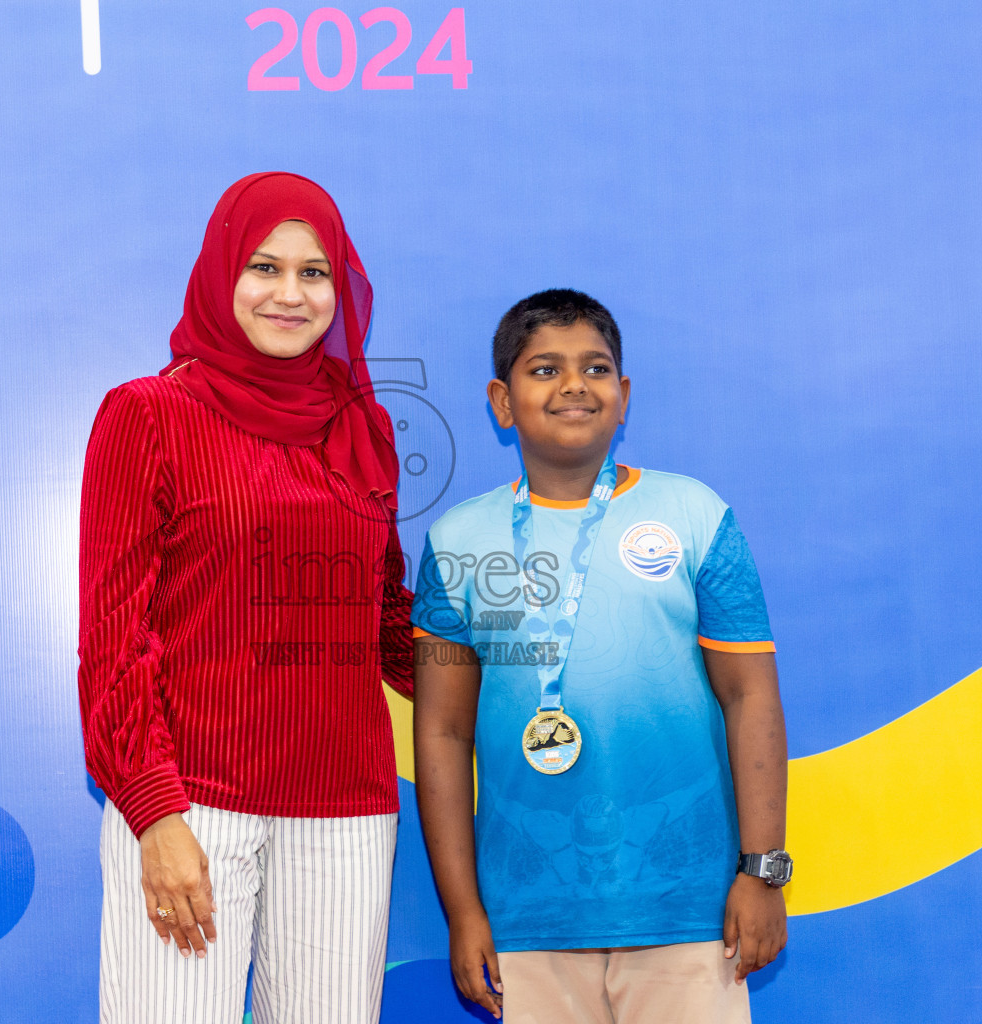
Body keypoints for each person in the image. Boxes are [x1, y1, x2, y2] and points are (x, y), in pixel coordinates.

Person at [77, 172, 415, 1024]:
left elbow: (385, 623)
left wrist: (532, 663)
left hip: (346, 812)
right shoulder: (147, 415)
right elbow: (115, 641)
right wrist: (154, 816)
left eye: (316, 273)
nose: (290, 295)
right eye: (265, 267)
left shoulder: (363, 424)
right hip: (191, 807)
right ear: (223, 271)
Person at [411, 289, 789, 1023]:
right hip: (526, 917)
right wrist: (464, 911)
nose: (574, 385)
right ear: (502, 399)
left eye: (596, 368)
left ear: (623, 398)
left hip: (691, 912)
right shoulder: (456, 544)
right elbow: (444, 734)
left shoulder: (696, 518)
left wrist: (762, 873)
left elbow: (752, 699)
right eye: (544, 369)